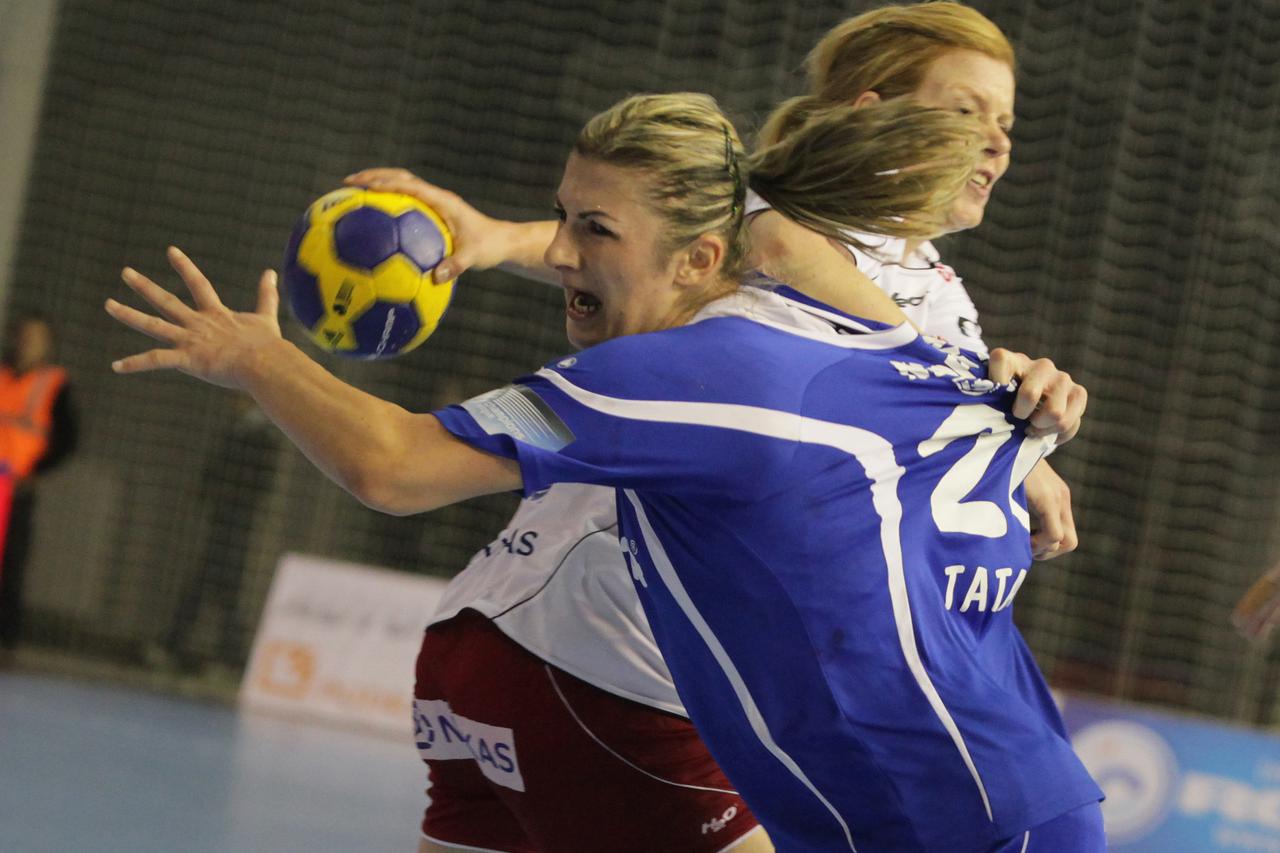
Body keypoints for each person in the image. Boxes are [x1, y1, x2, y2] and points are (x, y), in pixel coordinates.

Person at [106, 91, 1102, 851]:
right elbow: (766, 248)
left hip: (932, 806)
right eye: (563, 218)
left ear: (701, 255)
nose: (562, 250)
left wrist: (251, 357)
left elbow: (393, 467)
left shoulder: (698, 374)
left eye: (592, 230)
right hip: (976, 784)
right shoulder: (881, 325)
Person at [339, 5, 1083, 850]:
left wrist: (1022, 441)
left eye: (1006, 122)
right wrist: (499, 236)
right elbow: (655, 234)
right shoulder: (766, 226)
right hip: (610, 657)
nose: (995, 142)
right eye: (965, 113)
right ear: (873, 113)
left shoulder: (941, 298)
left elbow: (921, 419)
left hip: (528, 645)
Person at [151, 393, 280, 675]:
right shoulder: (240, 429)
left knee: (220, 585)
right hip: (222, 518)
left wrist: (223, 493)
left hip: (237, 521)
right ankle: (204, 651)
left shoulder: (262, 437)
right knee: (215, 584)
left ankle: (217, 655)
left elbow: (254, 481)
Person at [0, 314, 78, 652]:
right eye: (25, 336)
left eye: (37, 338)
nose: (28, 344)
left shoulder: (54, 383)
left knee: (10, 561)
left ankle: (6, 637)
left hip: (16, 487)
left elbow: (67, 439)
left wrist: (35, 471)